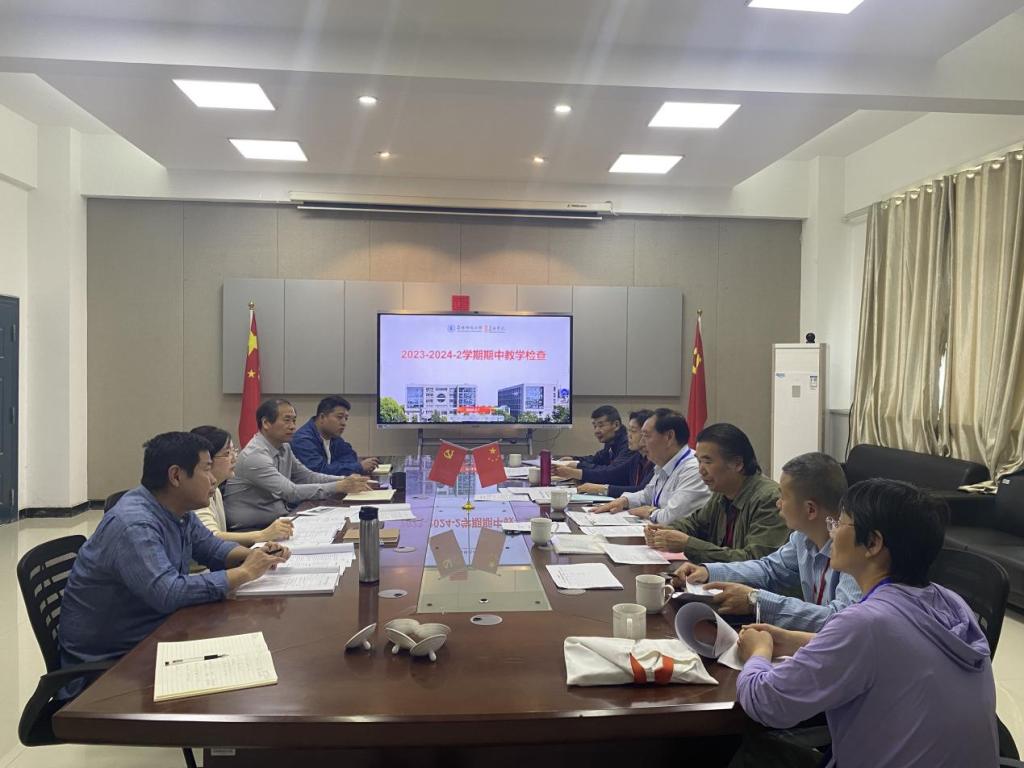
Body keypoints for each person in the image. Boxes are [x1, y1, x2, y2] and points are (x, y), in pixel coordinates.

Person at [733, 479, 998, 768]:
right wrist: (796, 640)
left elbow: (766, 702)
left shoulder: (866, 624)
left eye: (840, 523)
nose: (832, 532)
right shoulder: (952, 602)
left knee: (746, 751)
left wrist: (758, 652)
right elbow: (896, 652)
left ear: (872, 543)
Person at [58, 432, 289, 694]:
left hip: (153, 634)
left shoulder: (177, 510)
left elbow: (211, 547)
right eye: (206, 469)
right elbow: (168, 593)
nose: (214, 480)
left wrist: (255, 555)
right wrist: (245, 572)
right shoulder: (134, 524)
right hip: (110, 667)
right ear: (176, 476)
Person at [674, 452, 861, 631]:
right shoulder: (802, 538)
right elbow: (769, 569)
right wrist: (709, 572)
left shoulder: (855, 552)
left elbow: (840, 622)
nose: (778, 503)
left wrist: (756, 600)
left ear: (810, 510)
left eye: (783, 497)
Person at [646, 423, 787, 563]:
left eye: (707, 462)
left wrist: (688, 545)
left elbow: (754, 561)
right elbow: (695, 524)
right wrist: (666, 532)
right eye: (699, 461)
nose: (701, 470)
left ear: (737, 464)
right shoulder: (722, 491)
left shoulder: (769, 500)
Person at [223, 399, 371, 530]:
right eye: (287, 420)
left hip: (278, 521)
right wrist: (338, 486)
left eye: (294, 421)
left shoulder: (284, 447)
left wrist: (345, 480)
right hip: (251, 530)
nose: (293, 426)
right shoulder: (255, 456)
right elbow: (291, 492)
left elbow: (307, 476)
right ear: (266, 423)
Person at [589, 409, 709, 524]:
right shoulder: (663, 464)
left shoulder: (694, 469)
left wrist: (650, 512)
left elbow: (673, 517)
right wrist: (624, 500)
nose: (642, 443)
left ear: (669, 437)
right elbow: (647, 494)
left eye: (646, 436)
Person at [190, 425, 294, 546]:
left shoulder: (215, 490)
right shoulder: (195, 494)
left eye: (234, 451)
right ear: (207, 460)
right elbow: (211, 537)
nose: (234, 458)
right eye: (227, 453)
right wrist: (262, 535)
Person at [291, 395, 380, 476]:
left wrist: (334, 467)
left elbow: (350, 456)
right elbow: (319, 472)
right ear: (322, 417)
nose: (344, 423)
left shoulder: (333, 437)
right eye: (339, 417)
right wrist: (358, 467)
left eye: (346, 418)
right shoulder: (303, 440)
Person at [576, 409, 655, 497]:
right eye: (629, 431)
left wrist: (601, 489)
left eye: (633, 431)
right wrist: (575, 469)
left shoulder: (655, 461)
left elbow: (642, 491)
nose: (629, 435)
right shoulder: (638, 457)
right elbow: (613, 474)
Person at [555, 405, 634, 480]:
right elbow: (597, 459)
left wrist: (577, 467)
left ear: (616, 425)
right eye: (595, 426)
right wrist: (574, 459)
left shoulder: (628, 444)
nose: (596, 431)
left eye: (601, 426)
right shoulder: (611, 440)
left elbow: (612, 472)